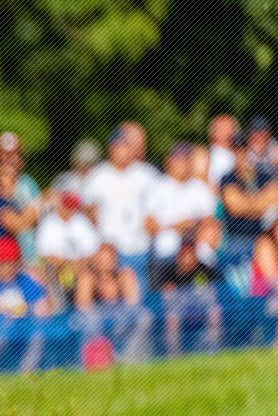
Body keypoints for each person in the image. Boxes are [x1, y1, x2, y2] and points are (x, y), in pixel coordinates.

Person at [81, 127, 159, 285]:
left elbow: (158, 207)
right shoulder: (98, 176)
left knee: (139, 295)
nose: (122, 152)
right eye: (118, 147)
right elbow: (87, 210)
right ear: (111, 148)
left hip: (140, 248)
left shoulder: (146, 174)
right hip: (110, 253)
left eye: (126, 146)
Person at [143, 142, 217, 271]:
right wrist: (180, 225)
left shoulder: (199, 188)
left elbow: (210, 224)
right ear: (169, 161)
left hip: (196, 257)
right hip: (165, 256)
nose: (183, 164)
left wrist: (189, 225)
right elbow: (149, 227)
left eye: (186, 160)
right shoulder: (156, 187)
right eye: (179, 160)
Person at [155, 233, 222, 355]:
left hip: (201, 309)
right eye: (184, 252)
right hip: (179, 310)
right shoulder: (169, 271)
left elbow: (213, 294)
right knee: (172, 316)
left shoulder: (205, 269)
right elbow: (166, 298)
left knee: (215, 311)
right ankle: (173, 354)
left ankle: (214, 350)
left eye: (190, 252)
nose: (187, 256)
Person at [219, 133, 278, 269]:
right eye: (237, 151)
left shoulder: (263, 175)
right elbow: (235, 207)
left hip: (263, 237)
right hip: (237, 239)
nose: (241, 155)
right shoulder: (228, 178)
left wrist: (246, 203)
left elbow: (275, 196)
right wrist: (262, 202)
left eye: (244, 150)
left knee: (265, 246)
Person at [35, 189, 100, 306]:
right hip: (58, 270)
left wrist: (75, 265)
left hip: (79, 269)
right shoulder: (49, 222)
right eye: (67, 206)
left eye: (72, 207)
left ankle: (83, 312)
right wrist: (68, 264)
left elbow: (93, 252)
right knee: (48, 270)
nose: (70, 210)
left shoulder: (81, 221)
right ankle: (56, 309)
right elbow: (45, 255)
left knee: (86, 275)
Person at [0, 237, 51, 323]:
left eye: (10, 262)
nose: (6, 267)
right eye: (2, 262)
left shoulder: (28, 282)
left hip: (23, 330)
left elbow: (43, 312)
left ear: (17, 263)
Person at [208, 114, 239, 187]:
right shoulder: (209, 157)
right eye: (222, 129)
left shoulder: (241, 153)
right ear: (213, 132)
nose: (226, 132)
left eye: (229, 128)